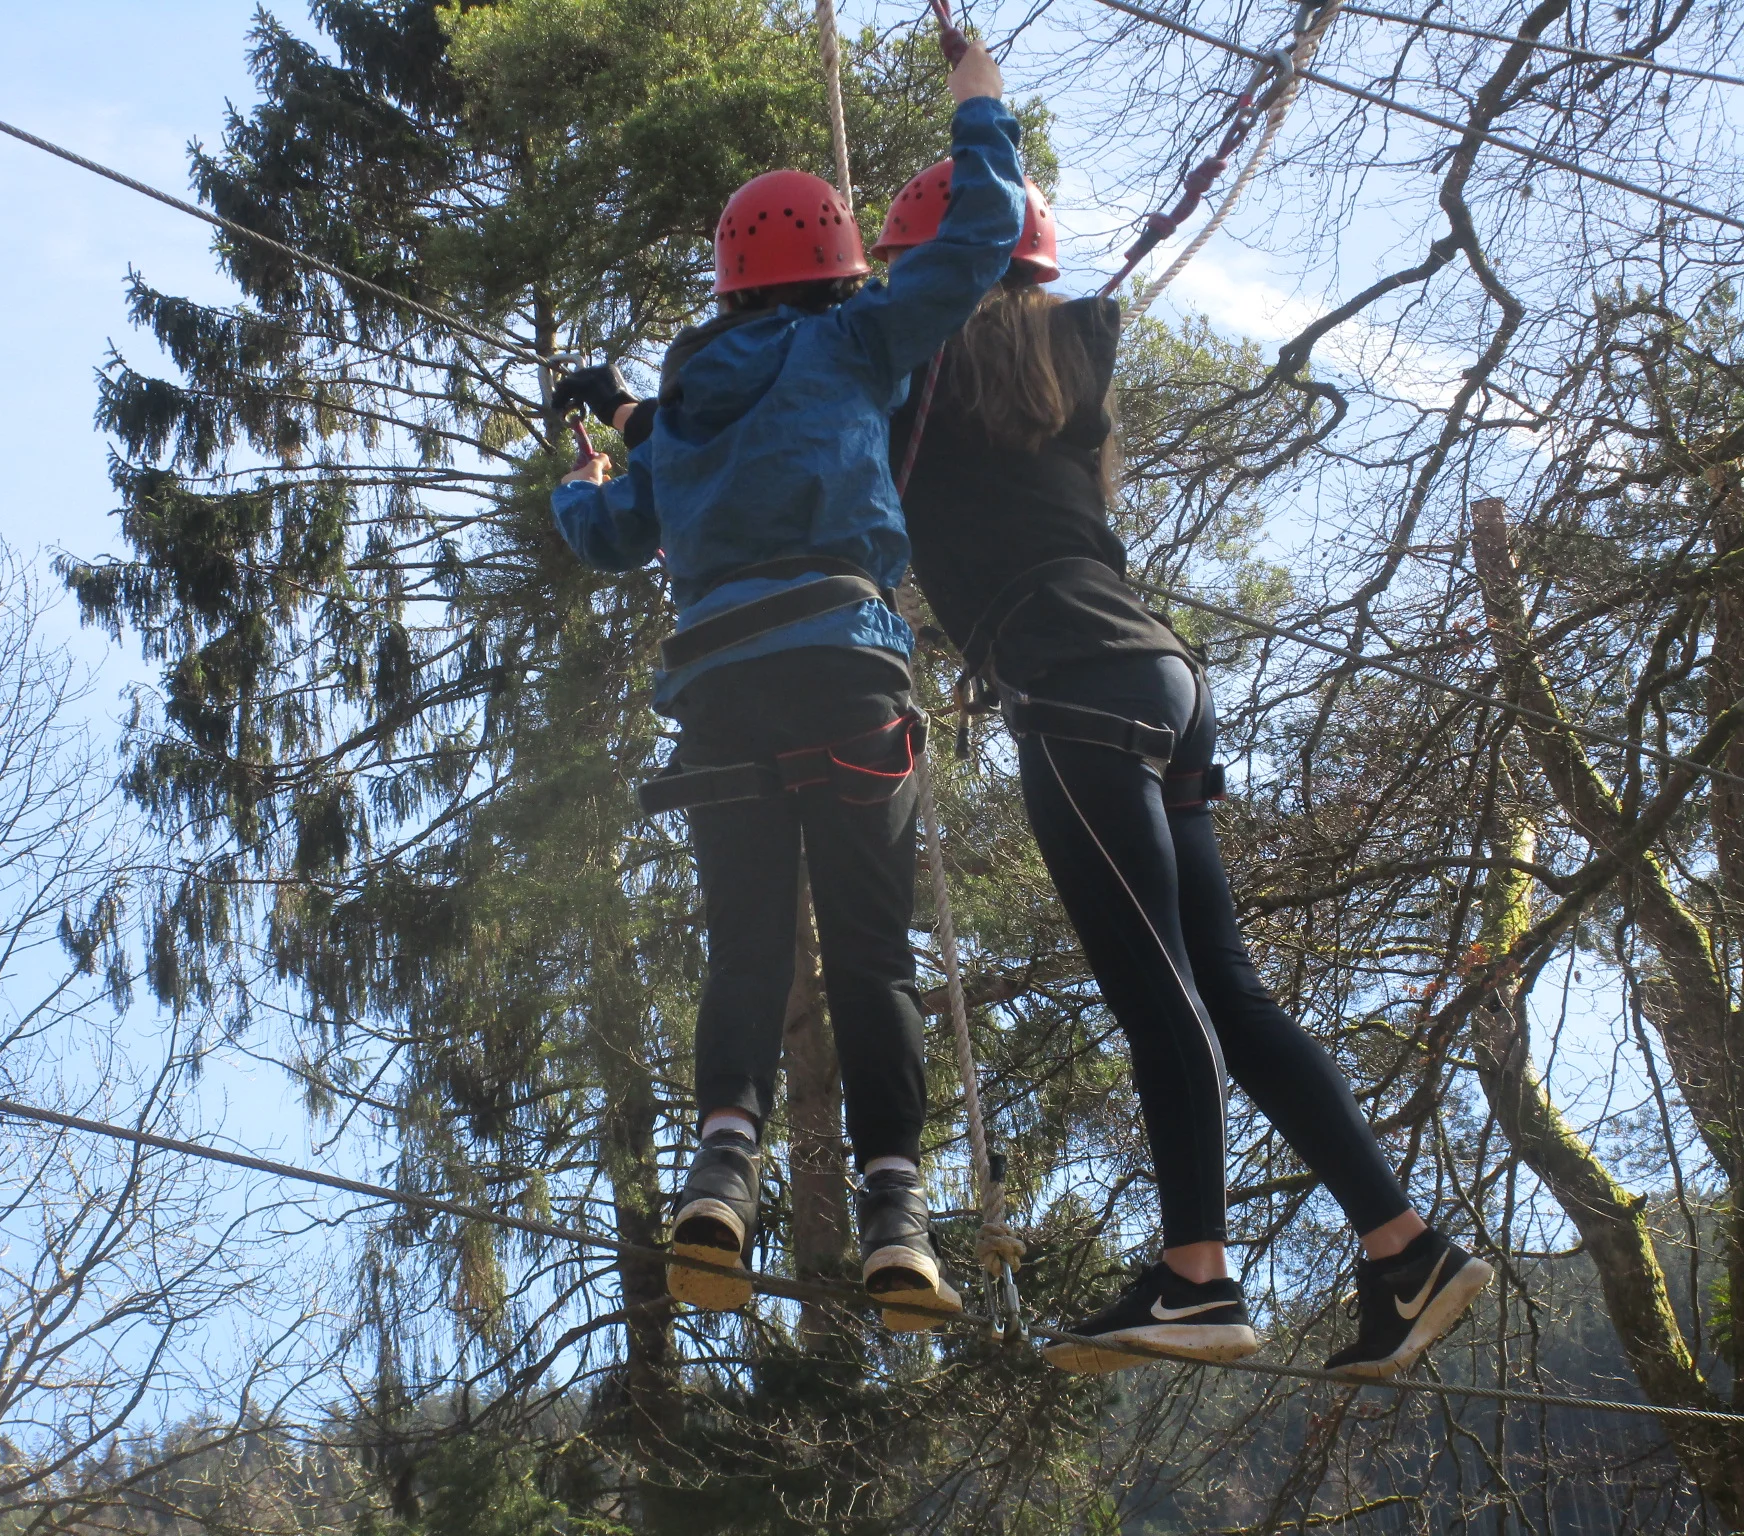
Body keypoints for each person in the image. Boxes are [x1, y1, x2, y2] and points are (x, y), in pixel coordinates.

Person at [872, 172, 1492, 1379]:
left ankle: (1196, 1280)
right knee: (1225, 992)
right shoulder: (1059, 376)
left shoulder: (918, 377)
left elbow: (791, 419)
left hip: (1077, 691)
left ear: (924, 270)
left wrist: (649, 427)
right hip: (1161, 681)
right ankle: (1403, 1250)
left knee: (1159, 990)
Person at [547, 42, 1026, 1329]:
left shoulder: (687, 402)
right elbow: (981, 231)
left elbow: (603, 538)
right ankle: (893, 1213)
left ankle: (720, 1172)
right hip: (838, 667)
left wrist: (584, 465)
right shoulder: (857, 338)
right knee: (871, 952)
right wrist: (975, 100)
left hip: (719, 695)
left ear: (730, 277)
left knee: (744, 943)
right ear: (835, 271)